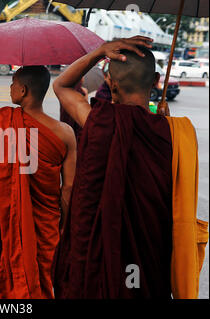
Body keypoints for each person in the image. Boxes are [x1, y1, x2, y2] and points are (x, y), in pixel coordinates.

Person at [52, 36, 206, 298]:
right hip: (149, 262)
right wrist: (163, 123)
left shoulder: (98, 121)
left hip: (97, 265)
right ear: (157, 79)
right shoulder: (176, 133)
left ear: (110, 85)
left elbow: (61, 85)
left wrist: (99, 51)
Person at [0, 66, 77, 298]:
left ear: (23, 89)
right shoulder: (65, 132)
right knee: (41, 281)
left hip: (3, 221)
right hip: (47, 225)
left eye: (12, 83)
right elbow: (68, 188)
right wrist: (65, 226)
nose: (9, 87)